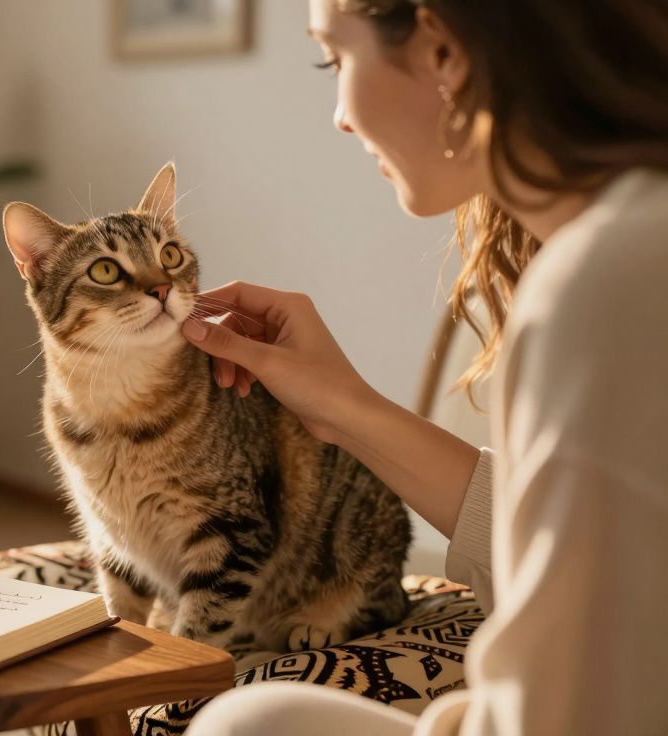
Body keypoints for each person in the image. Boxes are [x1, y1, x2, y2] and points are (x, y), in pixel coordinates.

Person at [181, 0, 668, 734]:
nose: (340, 115)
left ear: (443, 48)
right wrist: (344, 407)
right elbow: (596, 555)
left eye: (334, 58)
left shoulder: (606, 282)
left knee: (242, 724)